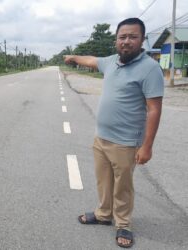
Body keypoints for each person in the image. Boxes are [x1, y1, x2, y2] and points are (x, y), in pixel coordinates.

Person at [64, 17, 164, 248]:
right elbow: (91, 60)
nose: (127, 41)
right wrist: (73, 57)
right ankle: (103, 214)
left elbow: (154, 109)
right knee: (104, 181)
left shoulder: (150, 69)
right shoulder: (110, 62)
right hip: (102, 138)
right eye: (122, 37)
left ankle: (123, 224)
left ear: (142, 40)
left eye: (132, 36)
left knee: (123, 186)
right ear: (116, 40)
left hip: (126, 143)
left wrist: (147, 146)